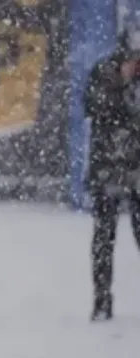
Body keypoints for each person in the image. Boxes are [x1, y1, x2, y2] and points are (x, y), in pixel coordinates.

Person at [84, 30, 140, 321]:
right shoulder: (104, 73)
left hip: (137, 169)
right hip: (108, 169)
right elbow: (94, 108)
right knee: (104, 240)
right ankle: (101, 300)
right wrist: (122, 83)